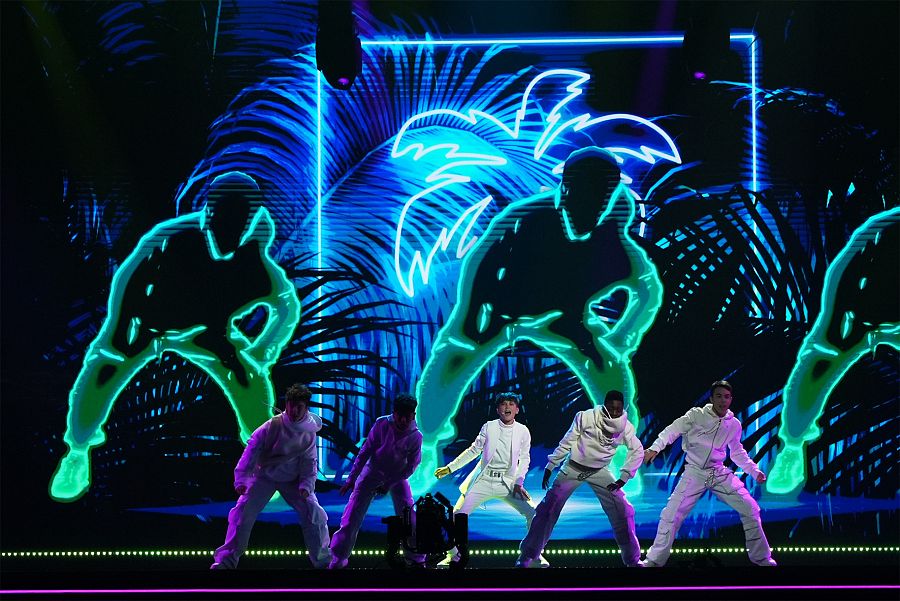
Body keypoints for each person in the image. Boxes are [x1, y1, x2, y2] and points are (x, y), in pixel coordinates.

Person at [412, 147, 663, 493]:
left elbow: (646, 287)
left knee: (612, 371)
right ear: (568, 187)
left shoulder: (612, 235)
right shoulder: (526, 215)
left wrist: (624, 338)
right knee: (451, 357)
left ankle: (620, 457)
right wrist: (469, 319)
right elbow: (481, 262)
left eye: (603, 191)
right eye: (587, 189)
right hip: (500, 312)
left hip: (565, 319)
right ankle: (422, 446)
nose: (595, 200)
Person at [50, 171, 301, 502]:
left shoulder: (254, 260)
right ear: (209, 211)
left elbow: (286, 305)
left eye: (239, 219)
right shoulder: (167, 239)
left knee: (251, 381)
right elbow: (127, 283)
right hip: (145, 325)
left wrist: (263, 352)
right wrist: (117, 339)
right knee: (102, 370)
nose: (229, 228)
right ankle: (77, 451)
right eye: (223, 216)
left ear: (250, 218)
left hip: (208, 333)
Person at [768, 206, 899, 494]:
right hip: (863, 303)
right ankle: (791, 446)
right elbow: (823, 353)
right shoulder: (877, 241)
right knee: (823, 358)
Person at [641, 380, 777, 567]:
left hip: (718, 472)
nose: (723, 400)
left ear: (731, 399)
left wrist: (755, 472)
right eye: (719, 396)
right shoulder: (696, 415)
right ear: (712, 398)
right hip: (694, 472)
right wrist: (655, 448)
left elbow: (737, 453)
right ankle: (653, 562)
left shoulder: (733, 424)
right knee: (670, 515)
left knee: (751, 508)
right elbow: (672, 430)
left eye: (727, 397)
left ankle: (762, 560)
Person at [517, 390, 644, 568]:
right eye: (611, 408)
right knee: (548, 508)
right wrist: (551, 465)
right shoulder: (586, 417)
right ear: (605, 406)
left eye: (618, 409)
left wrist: (624, 477)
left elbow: (638, 451)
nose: (615, 412)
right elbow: (568, 440)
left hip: (599, 471)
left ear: (623, 408)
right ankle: (528, 555)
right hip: (573, 468)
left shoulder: (626, 427)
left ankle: (632, 560)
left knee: (623, 510)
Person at [210, 384, 331, 569]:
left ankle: (323, 562)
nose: (294, 410)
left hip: (293, 480)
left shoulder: (309, 432)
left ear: (306, 407)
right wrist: (242, 480)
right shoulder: (271, 426)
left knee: (314, 514)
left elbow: (309, 462)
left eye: (299, 406)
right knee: (242, 514)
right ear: (286, 405)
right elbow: (251, 452)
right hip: (264, 476)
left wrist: (306, 486)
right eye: (291, 405)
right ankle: (226, 561)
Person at [433, 392, 547, 568]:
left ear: (517, 409)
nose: (507, 407)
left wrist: (519, 482)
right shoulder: (489, 427)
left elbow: (525, 459)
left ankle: (532, 554)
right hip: (483, 481)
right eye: (503, 404)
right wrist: (451, 467)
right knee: (457, 515)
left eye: (511, 404)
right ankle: (453, 556)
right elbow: (473, 450)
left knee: (534, 513)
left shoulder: (523, 431)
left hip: (508, 483)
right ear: (497, 409)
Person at [329, 393, 425, 569]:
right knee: (352, 515)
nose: (403, 420)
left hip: (397, 477)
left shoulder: (416, 436)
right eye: (399, 415)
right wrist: (352, 478)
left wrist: (389, 483)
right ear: (394, 413)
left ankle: (417, 559)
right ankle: (338, 558)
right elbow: (365, 451)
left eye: (407, 416)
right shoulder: (382, 424)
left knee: (409, 517)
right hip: (372, 472)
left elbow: (411, 467)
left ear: (413, 416)